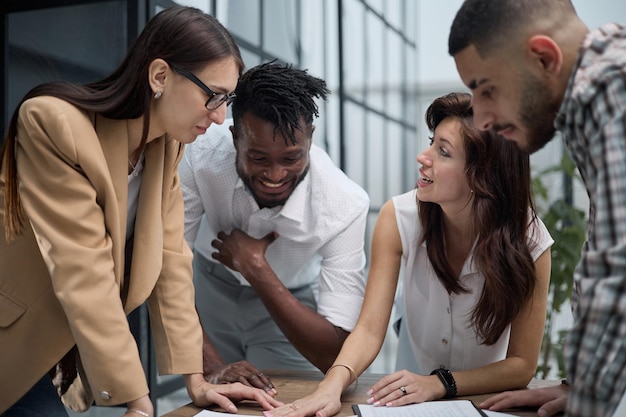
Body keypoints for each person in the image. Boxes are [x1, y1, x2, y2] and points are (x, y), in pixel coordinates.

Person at [0, 6, 282, 417]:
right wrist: (139, 401)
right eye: (213, 96)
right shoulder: (52, 123)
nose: (221, 117)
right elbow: (84, 268)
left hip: (59, 348)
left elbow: (171, 262)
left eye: (228, 99)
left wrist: (197, 381)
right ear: (160, 77)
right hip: (15, 341)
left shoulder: (165, 145)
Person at [264, 91, 553, 417]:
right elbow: (370, 328)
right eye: (432, 142)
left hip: (484, 405)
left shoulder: (531, 242)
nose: (423, 156)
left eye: (443, 152)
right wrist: (330, 387)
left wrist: (441, 383)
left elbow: (521, 365)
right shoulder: (398, 217)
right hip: (406, 407)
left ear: (483, 174)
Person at [448, 1, 626, 416]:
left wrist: (586, 406)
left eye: (487, 88)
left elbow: (620, 269)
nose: (483, 118)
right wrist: (578, 386)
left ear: (544, 57)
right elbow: (602, 251)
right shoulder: (594, 94)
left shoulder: (608, 89)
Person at [179, 62, 370, 388]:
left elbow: (336, 354)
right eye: (259, 158)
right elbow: (166, 263)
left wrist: (255, 268)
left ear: (310, 138)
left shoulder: (345, 205)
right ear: (235, 136)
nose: (275, 175)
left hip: (288, 302)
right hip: (206, 290)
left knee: (283, 400)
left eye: (291, 158)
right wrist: (211, 367)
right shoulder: (197, 154)